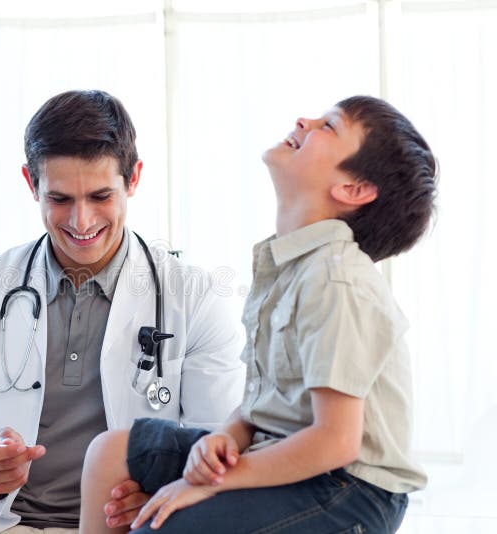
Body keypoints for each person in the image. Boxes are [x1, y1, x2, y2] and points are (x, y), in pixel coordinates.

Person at [79, 95, 436, 533]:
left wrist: (214, 485)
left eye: (329, 126)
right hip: (278, 450)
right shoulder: (286, 267)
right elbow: (259, 406)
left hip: (349, 491)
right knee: (110, 454)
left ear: (354, 189)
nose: (304, 120)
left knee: (161, 525)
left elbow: (336, 441)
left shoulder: (339, 279)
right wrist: (221, 442)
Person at [0, 89, 246, 534]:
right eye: (60, 199)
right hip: (1, 525)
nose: (81, 222)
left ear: (134, 179)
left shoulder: (195, 297)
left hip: (123, 526)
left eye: (101, 196)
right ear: (32, 184)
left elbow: (219, 447)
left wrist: (162, 490)